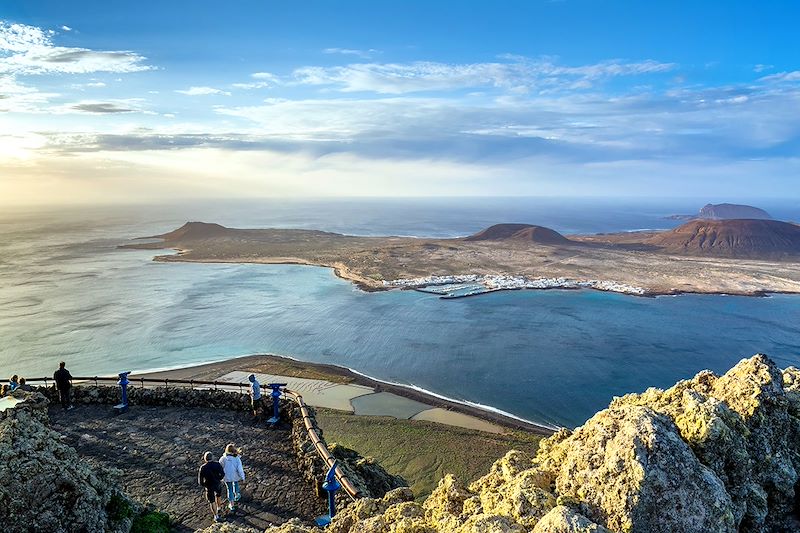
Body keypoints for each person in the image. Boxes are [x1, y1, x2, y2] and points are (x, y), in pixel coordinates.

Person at [198, 451, 226, 523]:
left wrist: (205, 485)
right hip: (217, 483)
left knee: (212, 501)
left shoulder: (203, 467)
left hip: (209, 485)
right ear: (212, 457)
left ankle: (216, 516)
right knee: (218, 495)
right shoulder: (217, 464)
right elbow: (222, 474)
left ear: (205, 459)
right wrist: (219, 479)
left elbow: (200, 481)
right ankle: (219, 507)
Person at [219, 444, 245, 511]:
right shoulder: (237, 458)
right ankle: (236, 495)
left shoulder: (223, 459)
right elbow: (240, 469)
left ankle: (232, 504)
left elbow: (220, 468)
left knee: (229, 489)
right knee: (235, 483)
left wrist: (219, 476)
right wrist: (243, 477)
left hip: (226, 477)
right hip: (235, 475)